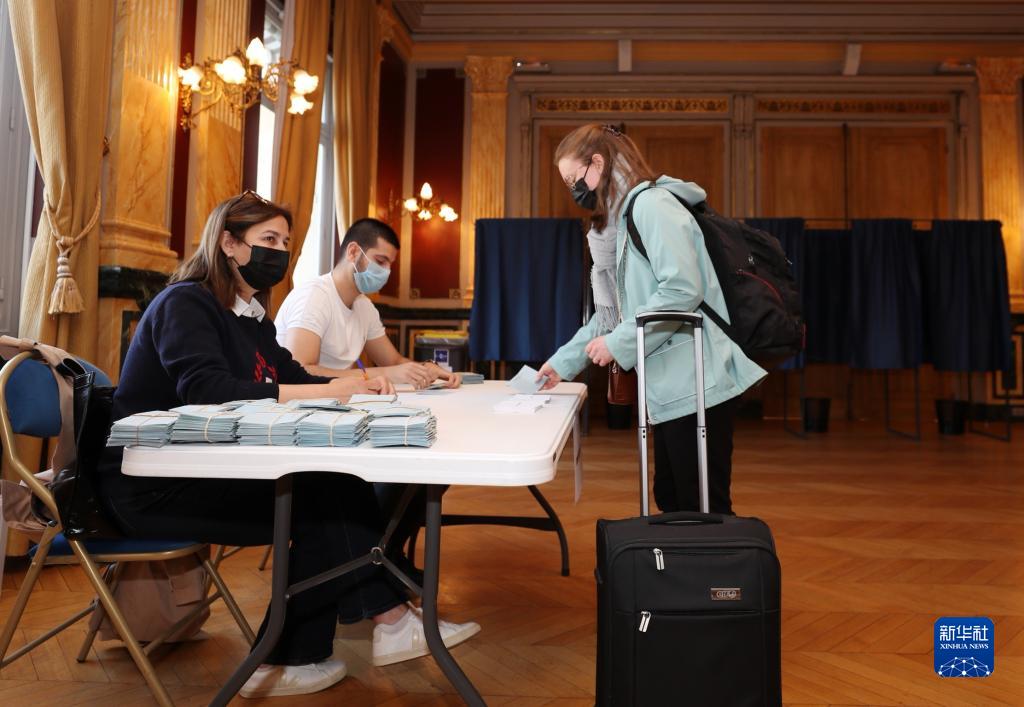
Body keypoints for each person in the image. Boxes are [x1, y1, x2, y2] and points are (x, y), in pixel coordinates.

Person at [97, 192, 479, 699]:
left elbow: (291, 374)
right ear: (229, 244)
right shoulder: (185, 303)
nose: (279, 252)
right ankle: (363, 626)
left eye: (285, 242)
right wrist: (334, 388)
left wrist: (354, 384)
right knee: (321, 497)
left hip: (206, 467)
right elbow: (208, 391)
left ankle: (317, 647)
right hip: (150, 485)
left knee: (328, 486)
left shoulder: (250, 315)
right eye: (268, 239)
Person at [537, 124, 766, 514]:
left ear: (598, 163)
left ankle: (717, 558)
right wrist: (561, 364)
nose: (574, 191)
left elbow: (682, 289)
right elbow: (613, 316)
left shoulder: (652, 206)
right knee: (674, 499)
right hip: (672, 384)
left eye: (574, 180)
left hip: (698, 380)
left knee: (703, 507)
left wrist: (618, 344)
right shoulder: (619, 223)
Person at [275, 217, 460, 390]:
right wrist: (384, 374)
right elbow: (300, 372)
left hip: (335, 400)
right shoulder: (314, 297)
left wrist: (427, 369)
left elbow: (394, 362)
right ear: (353, 252)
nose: (387, 272)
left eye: (390, 264)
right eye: (380, 261)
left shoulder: (364, 306)